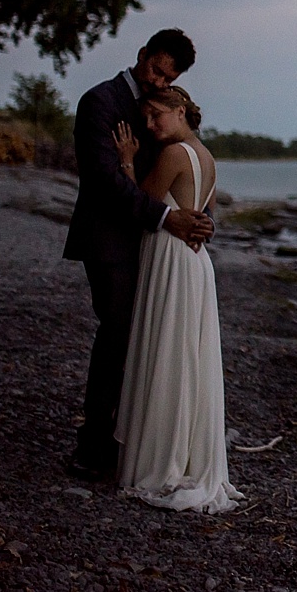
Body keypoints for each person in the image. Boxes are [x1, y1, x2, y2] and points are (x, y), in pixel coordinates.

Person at [64, 29, 212, 480]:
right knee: (119, 331)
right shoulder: (99, 102)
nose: (157, 83)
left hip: (156, 244)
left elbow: (186, 171)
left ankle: (135, 438)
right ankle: (94, 444)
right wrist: (168, 220)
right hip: (109, 239)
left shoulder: (167, 109)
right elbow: (104, 183)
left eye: (168, 78)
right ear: (142, 55)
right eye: (155, 70)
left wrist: (201, 219)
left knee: (147, 336)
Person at [112, 85, 240, 512]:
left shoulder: (173, 154)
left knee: (168, 353)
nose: (149, 126)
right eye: (145, 118)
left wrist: (127, 161)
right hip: (196, 264)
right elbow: (206, 215)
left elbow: (140, 205)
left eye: (156, 116)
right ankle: (182, 452)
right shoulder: (208, 157)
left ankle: (159, 459)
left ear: (180, 109)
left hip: (171, 259)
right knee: (186, 356)